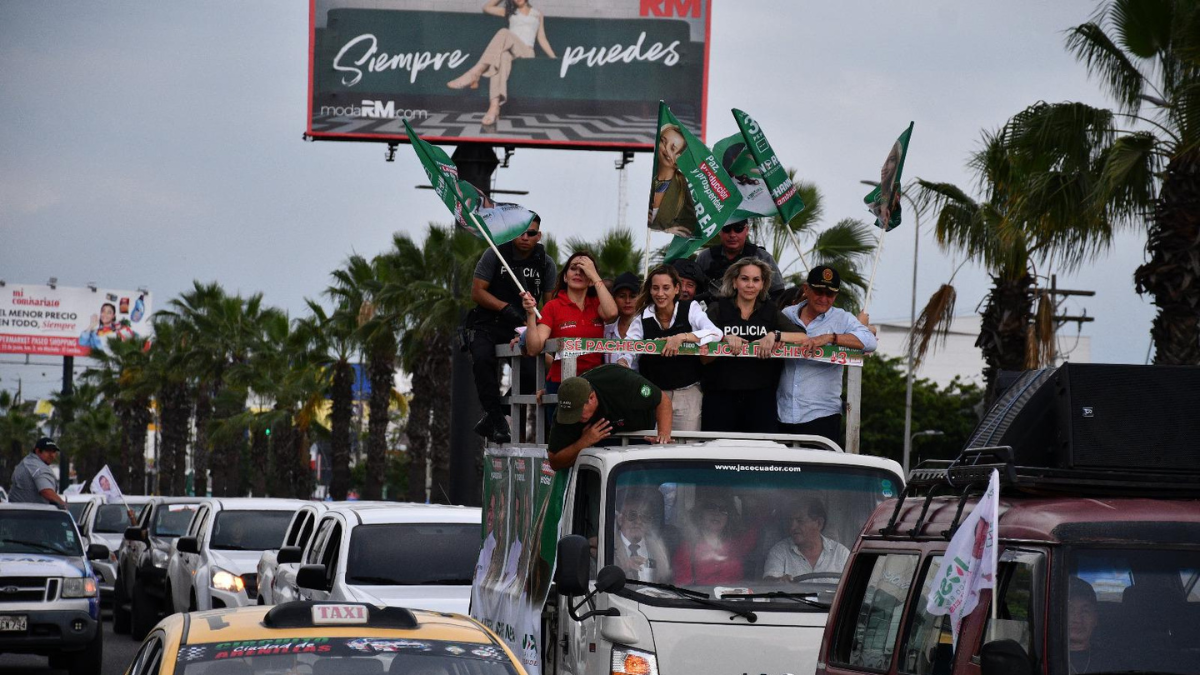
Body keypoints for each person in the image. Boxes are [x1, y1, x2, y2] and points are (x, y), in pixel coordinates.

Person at [468, 217, 556, 443]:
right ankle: (497, 419)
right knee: (482, 361)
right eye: (521, 232)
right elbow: (477, 292)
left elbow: (551, 304)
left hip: (522, 326)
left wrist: (538, 328)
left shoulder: (546, 264)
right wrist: (505, 308)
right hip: (488, 323)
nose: (526, 237)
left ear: (540, 236)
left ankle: (496, 416)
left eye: (532, 233)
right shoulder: (494, 254)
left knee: (533, 372)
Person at [702, 259, 809, 433]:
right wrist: (722, 339)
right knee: (718, 452)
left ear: (763, 284)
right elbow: (703, 358)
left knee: (759, 454)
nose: (750, 285)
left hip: (761, 398)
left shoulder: (771, 311)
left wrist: (775, 335)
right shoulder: (717, 309)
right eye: (745, 279)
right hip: (720, 395)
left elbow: (803, 338)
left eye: (756, 280)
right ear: (735, 282)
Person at [777, 265, 878, 440]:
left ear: (836, 295)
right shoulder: (787, 314)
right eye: (819, 291)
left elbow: (869, 341)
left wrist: (830, 338)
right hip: (781, 413)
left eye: (830, 294)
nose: (824, 298)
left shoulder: (842, 318)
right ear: (806, 289)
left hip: (822, 416)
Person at [625, 265, 724, 432]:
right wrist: (623, 362)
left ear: (676, 289)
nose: (660, 293)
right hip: (652, 394)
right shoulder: (642, 317)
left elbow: (716, 333)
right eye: (655, 288)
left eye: (666, 288)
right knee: (651, 448)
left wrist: (682, 337)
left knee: (684, 449)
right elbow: (628, 348)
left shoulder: (690, 308)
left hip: (687, 393)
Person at [523, 251, 617, 399]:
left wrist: (595, 276)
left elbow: (611, 313)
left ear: (591, 278)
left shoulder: (597, 304)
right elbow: (534, 348)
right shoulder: (553, 306)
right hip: (561, 383)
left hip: (594, 384)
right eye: (573, 268)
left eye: (584, 270)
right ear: (565, 277)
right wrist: (530, 314)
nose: (578, 273)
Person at [447, 0, 556, 126]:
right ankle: (494, 107)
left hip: (526, 51)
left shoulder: (537, 14)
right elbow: (486, 7)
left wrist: (554, 59)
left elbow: (542, 38)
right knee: (502, 57)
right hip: (509, 51)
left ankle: (476, 72)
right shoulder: (509, 12)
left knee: (504, 32)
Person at [545, 366, 673, 470]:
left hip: (639, 429)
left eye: (577, 413)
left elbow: (662, 400)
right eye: (570, 415)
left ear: (592, 398)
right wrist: (584, 442)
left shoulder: (623, 381)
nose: (574, 418)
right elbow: (554, 462)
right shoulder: (565, 408)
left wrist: (663, 434)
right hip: (600, 442)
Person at [763, 497, 849, 580]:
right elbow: (769, 583)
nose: (792, 527)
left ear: (819, 523)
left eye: (800, 521)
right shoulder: (780, 551)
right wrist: (779, 582)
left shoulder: (841, 554)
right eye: (790, 521)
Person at [696, 220, 786, 299]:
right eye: (727, 229)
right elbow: (695, 291)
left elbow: (778, 294)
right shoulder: (705, 257)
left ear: (746, 230)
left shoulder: (762, 257)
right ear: (719, 230)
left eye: (738, 229)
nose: (732, 235)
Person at [672, 494, 745, 586]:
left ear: (728, 518)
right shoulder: (686, 549)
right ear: (700, 513)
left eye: (723, 510)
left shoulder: (734, 548)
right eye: (711, 507)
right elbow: (684, 589)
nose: (717, 513)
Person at [613, 490, 672, 583]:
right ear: (620, 520)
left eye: (645, 517)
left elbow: (667, 580)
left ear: (649, 523)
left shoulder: (658, 547)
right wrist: (623, 568)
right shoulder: (607, 544)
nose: (639, 521)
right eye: (632, 515)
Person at [648, 124, 696, 237]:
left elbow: (690, 226)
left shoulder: (683, 186)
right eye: (663, 142)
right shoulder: (646, 178)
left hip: (665, 249)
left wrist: (666, 230)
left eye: (673, 148)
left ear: (680, 157)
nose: (665, 149)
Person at [10, 437, 67, 509]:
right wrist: (63, 505)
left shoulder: (27, 462)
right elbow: (46, 491)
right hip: (32, 515)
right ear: (37, 451)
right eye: (48, 451)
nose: (52, 455)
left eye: (54, 452)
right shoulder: (38, 467)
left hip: (17, 513)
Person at [604, 272, 641, 368]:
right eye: (622, 296)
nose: (627, 301)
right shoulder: (606, 332)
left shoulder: (647, 328)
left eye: (633, 296)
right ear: (614, 298)